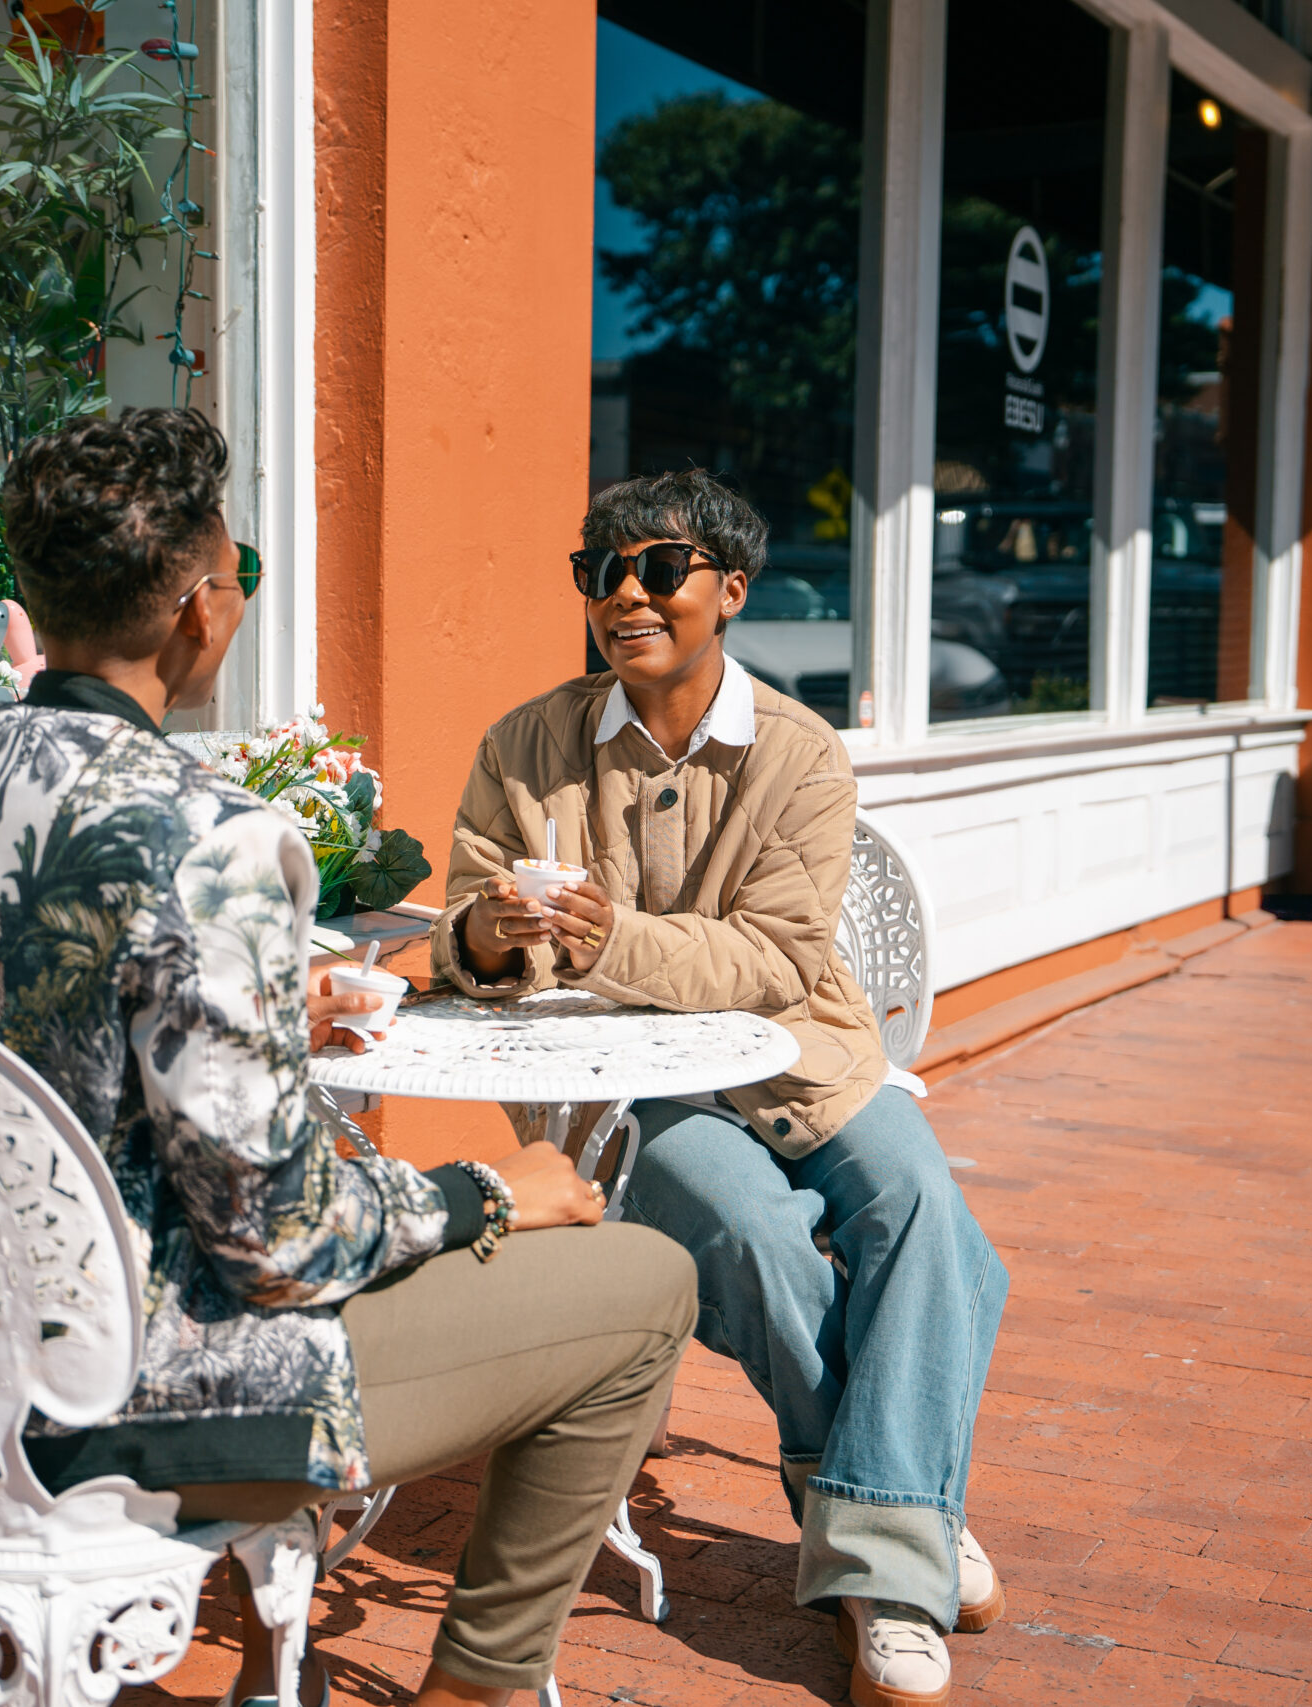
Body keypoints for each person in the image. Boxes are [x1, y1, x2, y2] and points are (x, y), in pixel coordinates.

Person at [0, 409, 697, 1707]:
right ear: (197, 610)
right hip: (128, 1397)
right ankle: (485, 1683)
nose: (235, 603)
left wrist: (256, 1021)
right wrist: (492, 1192)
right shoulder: (212, 830)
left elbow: (33, 1041)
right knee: (643, 1277)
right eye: (236, 576)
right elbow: (282, 1241)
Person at [428, 469, 1011, 1707]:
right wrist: (485, 935)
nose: (624, 596)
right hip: (622, 1087)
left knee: (931, 1228)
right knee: (750, 1233)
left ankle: (880, 1505)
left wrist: (605, 940)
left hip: (805, 1054)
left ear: (729, 590)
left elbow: (776, 957)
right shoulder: (523, 745)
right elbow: (465, 926)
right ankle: (898, 1556)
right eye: (601, 574)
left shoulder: (798, 753)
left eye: (657, 570)